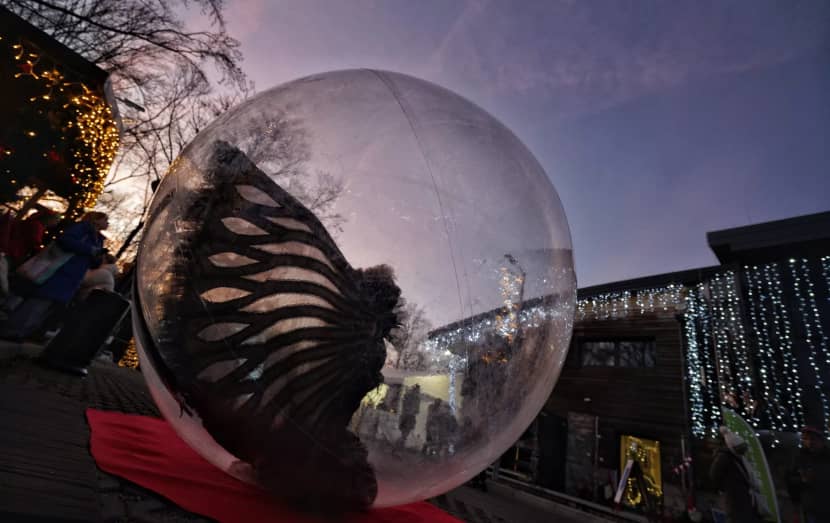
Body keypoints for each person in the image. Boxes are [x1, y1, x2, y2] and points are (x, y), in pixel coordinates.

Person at [0, 211, 108, 341]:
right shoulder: (82, 228)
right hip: (59, 270)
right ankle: (12, 331)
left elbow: (92, 261)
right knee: (39, 302)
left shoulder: (99, 239)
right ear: (96, 220)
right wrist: (90, 250)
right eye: (105, 219)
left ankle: (23, 332)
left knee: (47, 306)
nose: (107, 223)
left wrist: (98, 257)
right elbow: (65, 240)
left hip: (72, 277)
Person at [709, 427, 762, 523]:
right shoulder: (724, 458)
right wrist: (724, 488)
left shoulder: (738, 457)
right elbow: (714, 475)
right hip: (734, 497)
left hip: (743, 497)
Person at [787, 426, 830, 523]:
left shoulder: (827, 458)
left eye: (813, 439)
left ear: (821, 440)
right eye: (805, 439)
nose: (810, 442)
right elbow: (791, 481)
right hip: (810, 509)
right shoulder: (800, 458)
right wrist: (802, 480)